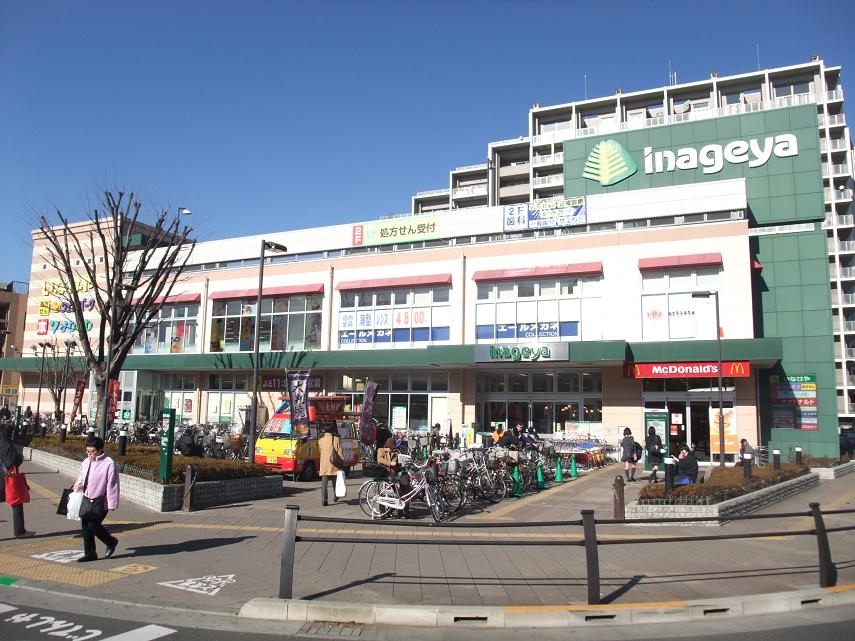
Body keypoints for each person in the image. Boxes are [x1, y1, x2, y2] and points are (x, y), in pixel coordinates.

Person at [74, 436, 119, 562]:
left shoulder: (109, 463)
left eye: (92, 451)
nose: (89, 454)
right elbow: (81, 477)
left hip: (101, 501)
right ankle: (90, 553)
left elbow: (112, 485)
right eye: (87, 451)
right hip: (87, 498)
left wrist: (112, 503)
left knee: (93, 525)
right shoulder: (86, 462)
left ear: (100, 450)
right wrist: (79, 483)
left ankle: (111, 541)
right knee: (85, 526)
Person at [0, 424, 35, 538]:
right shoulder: (6, 444)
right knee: (17, 503)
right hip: (5, 479)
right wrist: (19, 458)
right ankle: (20, 531)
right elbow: (10, 462)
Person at [318, 423, 345, 507]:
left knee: (324, 483)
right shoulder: (336, 439)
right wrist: (342, 461)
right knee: (335, 481)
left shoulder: (320, 440)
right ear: (332, 430)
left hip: (324, 464)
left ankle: (324, 500)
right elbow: (339, 451)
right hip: (334, 463)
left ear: (324, 431)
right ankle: (336, 495)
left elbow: (320, 451)